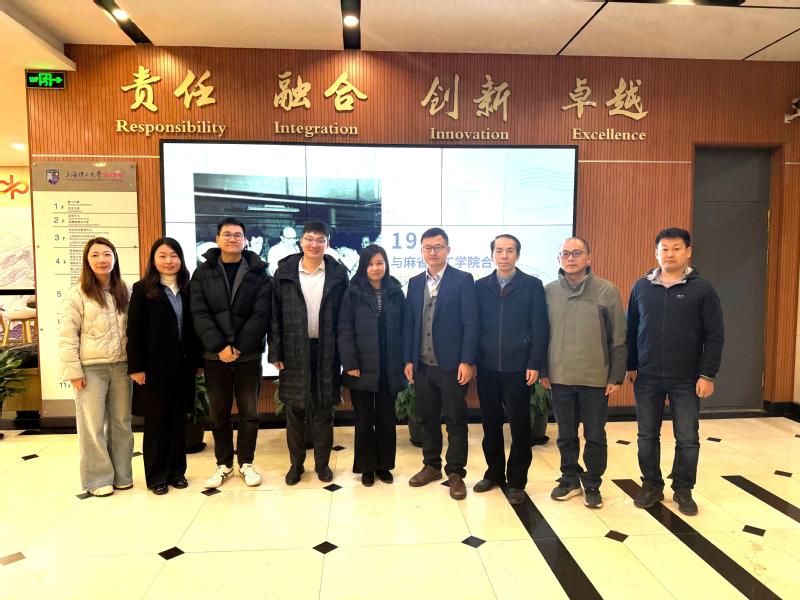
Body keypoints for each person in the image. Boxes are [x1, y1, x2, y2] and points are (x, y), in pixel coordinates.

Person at [626, 227, 724, 516]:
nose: (670, 254)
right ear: (656, 253)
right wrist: (631, 365)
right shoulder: (641, 287)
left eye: (676, 248)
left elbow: (715, 335)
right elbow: (631, 328)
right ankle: (651, 485)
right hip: (647, 376)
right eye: (664, 249)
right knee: (646, 435)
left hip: (687, 378)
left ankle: (683, 489)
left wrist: (707, 375)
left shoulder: (702, 289)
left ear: (688, 251)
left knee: (687, 438)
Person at [542, 237, 627, 509]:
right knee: (565, 434)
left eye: (577, 253)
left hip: (595, 378)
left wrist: (616, 376)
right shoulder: (548, 292)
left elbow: (618, 337)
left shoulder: (607, 291)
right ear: (558, 259)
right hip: (560, 377)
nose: (570, 258)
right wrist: (544, 370)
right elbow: (541, 335)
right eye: (565, 253)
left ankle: (592, 483)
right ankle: (569, 479)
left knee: (595, 435)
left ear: (588, 258)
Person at [191, 218, 272, 489]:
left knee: (250, 412)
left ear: (245, 240)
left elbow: (261, 314)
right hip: (214, 356)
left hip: (247, 356)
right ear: (217, 239)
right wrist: (220, 347)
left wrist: (238, 347)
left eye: (238, 235)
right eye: (227, 234)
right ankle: (224, 464)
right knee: (219, 413)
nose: (233, 239)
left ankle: (246, 462)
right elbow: (199, 312)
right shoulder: (203, 272)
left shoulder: (259, 272)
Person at [270, 221, 349, 485]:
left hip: (327, 349)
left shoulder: (338, 273)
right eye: (309, 239)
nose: (314, 244)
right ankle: (296, 465)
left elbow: (344, 318)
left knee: (325, 409)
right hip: (294, 350)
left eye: (320, 239)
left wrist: (344, 353)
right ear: (301, 241)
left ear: (327, 243)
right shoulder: (284, 273)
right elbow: (274, 316)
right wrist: (276, 352)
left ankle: (322, 465)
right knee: (295, 410)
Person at [403, 227, 478, 500]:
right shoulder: (414, 282)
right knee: (427, 418)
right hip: (423, 366)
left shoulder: (462, 280)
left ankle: (455, 472)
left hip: (451, 367)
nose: (433, 252)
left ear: (448, 249)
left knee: (455, 420)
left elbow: (471, 323)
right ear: (422, 251)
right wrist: (408, 359)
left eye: (438, 247)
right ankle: (431, 465)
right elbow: (410, 324)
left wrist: (467, 361)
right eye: (428, 248)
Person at [474, 234, 549, 505]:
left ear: (517, 254)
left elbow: (540, 328)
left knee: (520, 426)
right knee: (490, 424)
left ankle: (517, 481)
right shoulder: (480, 286)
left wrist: (535, 363)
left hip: (519, 368)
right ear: (492, 254)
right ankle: (494, 473)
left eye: (509, 251)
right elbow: (474, 326)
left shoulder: (532, 285)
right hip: (487, 367)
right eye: (499, 251)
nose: (504, 256)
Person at [127, 238, 202, 495]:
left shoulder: (188, 288)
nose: (168, 261)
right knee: (156, 422)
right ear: (154, 260)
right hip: (153, 367)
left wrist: (198, 362)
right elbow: (134, 331)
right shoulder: (142, 290)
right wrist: (136, 367)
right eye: (162, 256)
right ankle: (156, 475)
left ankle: (176, 472)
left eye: (173, 255)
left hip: (183, 365)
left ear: (180, 259)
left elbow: (195, 329)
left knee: (178, 420)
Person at [59, 237, 133, 497]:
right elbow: (67, 335)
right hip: (91, 369)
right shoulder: (78, 293)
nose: (102, 259)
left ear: (115, 258)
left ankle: (122, 475)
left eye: (107, 254)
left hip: (122, 366)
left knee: (121, 423)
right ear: (87, 260)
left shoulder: (125, 289)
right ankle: (97, 479)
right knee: (92, 425)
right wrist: (74, 371)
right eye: (95, 255)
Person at [338, 245, 406, 487]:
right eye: (370, 264)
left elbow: (404, 329)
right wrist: (350, 362)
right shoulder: (353, 292)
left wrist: (403, 362)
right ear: (363, 267)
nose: (375, 268)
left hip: (389, 367)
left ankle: (384, 465)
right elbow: (344, 329)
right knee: (364, 419)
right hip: (361, 367)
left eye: (380, 263)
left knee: (387, 419)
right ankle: (367, 467)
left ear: (386, 264)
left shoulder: (396, 291)